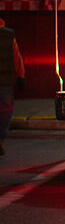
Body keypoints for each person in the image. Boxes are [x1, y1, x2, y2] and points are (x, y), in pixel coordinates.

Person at [0, 18, 25, 156]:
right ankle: (1, 137)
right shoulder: (9, 35)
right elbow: (17, 57)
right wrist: (21, 75)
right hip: (5, 81)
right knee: (6, 111)